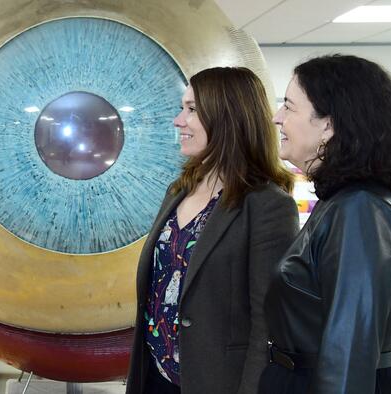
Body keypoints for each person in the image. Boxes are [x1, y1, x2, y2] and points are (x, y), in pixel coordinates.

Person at [126, 67, 299, 394]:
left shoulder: (266, 205)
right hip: (155, 376)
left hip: (216, 381)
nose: (179, 120)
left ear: (227, 117)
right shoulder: (179, 191)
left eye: (191, 110)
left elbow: (268, 325)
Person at [261, 54, 391, 394]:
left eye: (289, 107)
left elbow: (349, 355)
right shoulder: (341, 202)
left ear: (330, 124)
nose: (278, 119)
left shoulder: (359, 210)